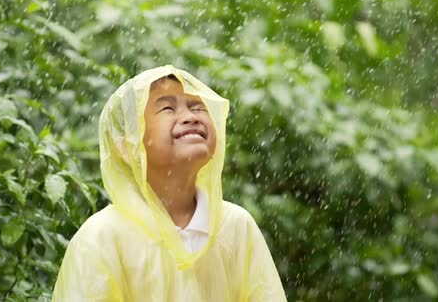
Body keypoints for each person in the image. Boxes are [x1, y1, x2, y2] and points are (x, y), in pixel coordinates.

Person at [51, 65, 286, 301]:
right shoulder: (101, 237)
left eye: (198, 107)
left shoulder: (236, 227)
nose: (191, 117)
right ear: (126, 146)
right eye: (167, 108)